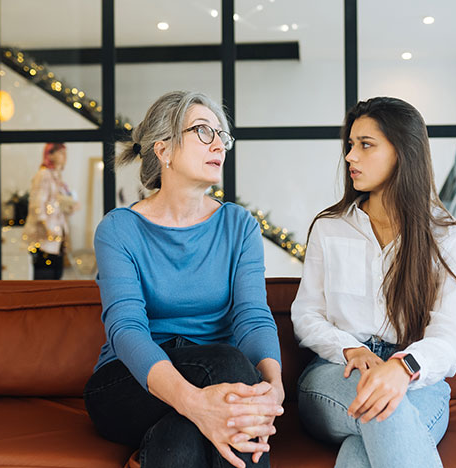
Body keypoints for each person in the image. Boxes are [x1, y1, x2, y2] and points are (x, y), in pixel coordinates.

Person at [83, 91, 284, 468]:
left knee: (181, 441)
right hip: (128, 386)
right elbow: (126, 330)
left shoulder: (238, 226)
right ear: (164, 150)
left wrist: (272, 385)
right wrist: (195, 402)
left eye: (221, 136)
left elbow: (253, 316)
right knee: (228, 363)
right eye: (203, 132)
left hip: (218, 386)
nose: (218, 145)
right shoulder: (119, 229)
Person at [291, 97, 456, 468]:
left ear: (402, 151)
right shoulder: (330, 228)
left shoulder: (449, 238)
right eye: (350, 145)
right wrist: (350, 350)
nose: (350, 157)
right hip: (335, 374)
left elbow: (450, 336)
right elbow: (306, 315)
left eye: (365, 145)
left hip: (417, 381)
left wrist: (402, 369)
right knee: (381, 406)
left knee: (369, 439)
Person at [24, 142, 78, 279]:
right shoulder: (44, 175)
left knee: (56, 275)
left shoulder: (57, 177)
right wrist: (48, 228)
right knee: (45, 277)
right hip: (45, 240)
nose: (64, 156)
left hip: (57, 239)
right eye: (60, 152)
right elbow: (38, 205)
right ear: (50, 154)